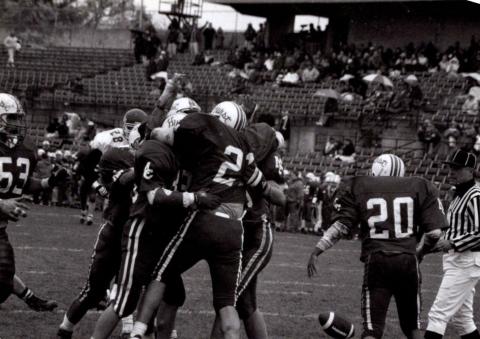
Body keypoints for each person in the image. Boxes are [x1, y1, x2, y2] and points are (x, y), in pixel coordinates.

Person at [127, 107, 284, 339]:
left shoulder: (203, 134)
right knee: (228, 302)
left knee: (161, 272)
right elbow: (275, 192)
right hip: (235, 230)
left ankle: (137, 332)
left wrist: (154, 136)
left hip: (207, 218)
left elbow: (162, 135)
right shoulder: (246, 149)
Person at [307, 153, 448, 339]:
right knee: (413, 328)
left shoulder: (360, 185)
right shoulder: (421, 186)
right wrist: (420, 252)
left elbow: (342, 226)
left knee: (373, 330)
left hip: (378, 260)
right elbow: (434, 234)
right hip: (407, 260)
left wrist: (318, 249)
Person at [57, 145, 136, 339]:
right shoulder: (123, 179)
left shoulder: (132, 172)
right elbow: (114, 181)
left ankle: (130, 330)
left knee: (129, 289)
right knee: (93, 292)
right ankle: (65, 329)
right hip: (113, 237)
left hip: (134, 239)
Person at [0, 93, 67, 313]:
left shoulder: (24, 149)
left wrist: (50, 182)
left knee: (3, 271)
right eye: (12, 117)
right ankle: (32, 300)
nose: (18, 123)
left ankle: (31, 299)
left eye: (19, 118)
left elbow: (23, 181)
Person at [424, 150, 480, 339]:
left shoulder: (475, 195)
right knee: (463, 320)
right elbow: (456, 228)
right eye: (450, 167)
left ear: (471, 171)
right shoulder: (459, 194)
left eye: (457, 168)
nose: (451, 171)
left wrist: (452, 243)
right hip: (457, 260)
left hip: (466, 261)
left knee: (437, 315)